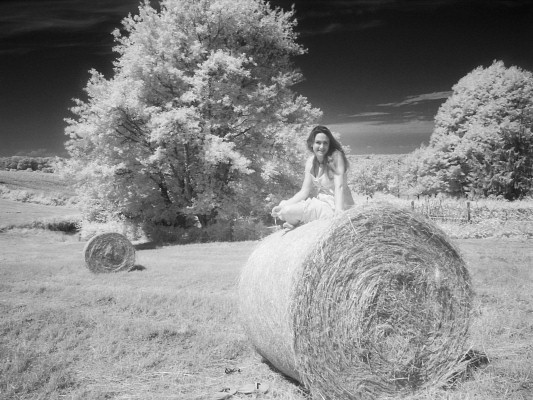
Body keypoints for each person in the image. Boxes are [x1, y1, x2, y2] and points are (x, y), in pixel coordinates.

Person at [271, 125, 355, 229]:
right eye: (318, 142)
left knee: (288, 211)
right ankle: (297, 224)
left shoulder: (336, 157)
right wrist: (282, 205)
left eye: (325, 143)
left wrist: (339, 212)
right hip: (321, 203)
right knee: (284, 209)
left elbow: (340, 186)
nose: (322, 147)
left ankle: (297, 223)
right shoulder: (311, 162)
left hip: (337, 204)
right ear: (311, 143)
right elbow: (304, 191)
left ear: (329, 145)